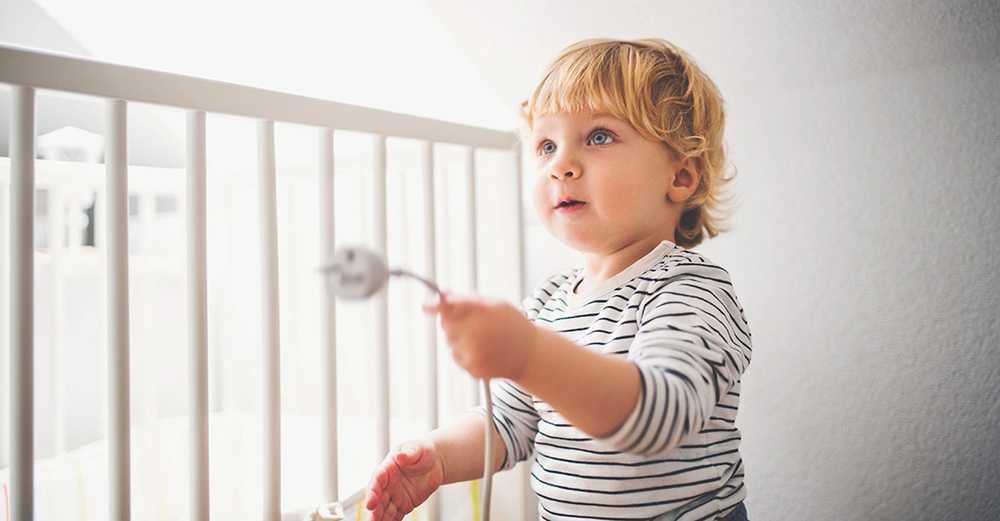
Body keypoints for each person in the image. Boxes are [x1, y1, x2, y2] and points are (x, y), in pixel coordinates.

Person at [363, 37, 752, 521]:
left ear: (681, 177)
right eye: (546, 145)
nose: (560, 166)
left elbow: (659, 415)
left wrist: (529, 354)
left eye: (599, 137)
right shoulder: (549, 301)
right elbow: (509, 421)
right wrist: (438, 456)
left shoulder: (689, 288)